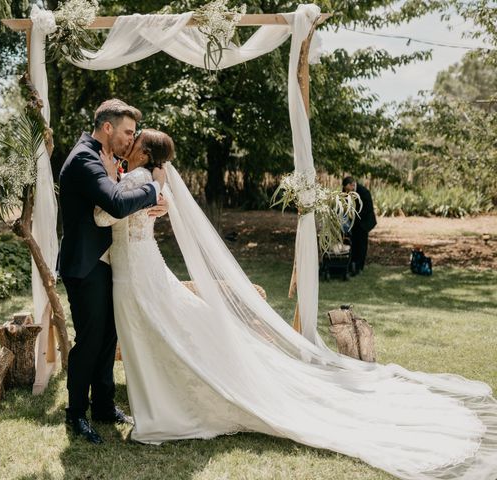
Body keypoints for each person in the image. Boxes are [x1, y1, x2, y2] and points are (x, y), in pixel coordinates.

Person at [95, 130, 497, 480]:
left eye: (135, 140)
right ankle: (160, 401)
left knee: (154, 331)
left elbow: (102, 215)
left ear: (146, 154)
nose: (128, 143)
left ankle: (161, 409)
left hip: (138, 270)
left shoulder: (140, 179)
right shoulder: (150, 180)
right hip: (140, 265)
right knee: (161, 330)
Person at [58, 99, 168, 445]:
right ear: (108, 128)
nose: (130, 140)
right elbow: (118, 204)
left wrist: (157, 204)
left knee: (107, 338)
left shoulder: (108, 160)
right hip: (86, 264)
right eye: (127, 132)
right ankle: (76, 412)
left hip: (108, 262)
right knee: (90, 341)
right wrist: (153, 189)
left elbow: (123, 196)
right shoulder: (84, 160)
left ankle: (104, 406)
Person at [342, 176, 376, 275]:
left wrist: (353, 216)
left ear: (352, 185)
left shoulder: (364, 192)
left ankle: (359, 266)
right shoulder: (346, 189)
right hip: (354, 220)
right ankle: (351, 263)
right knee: (353, 242)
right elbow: (343, 199)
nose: (346, 191)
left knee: (361, 243)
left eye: (347, 189)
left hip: (364, 221)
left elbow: (367, 210)